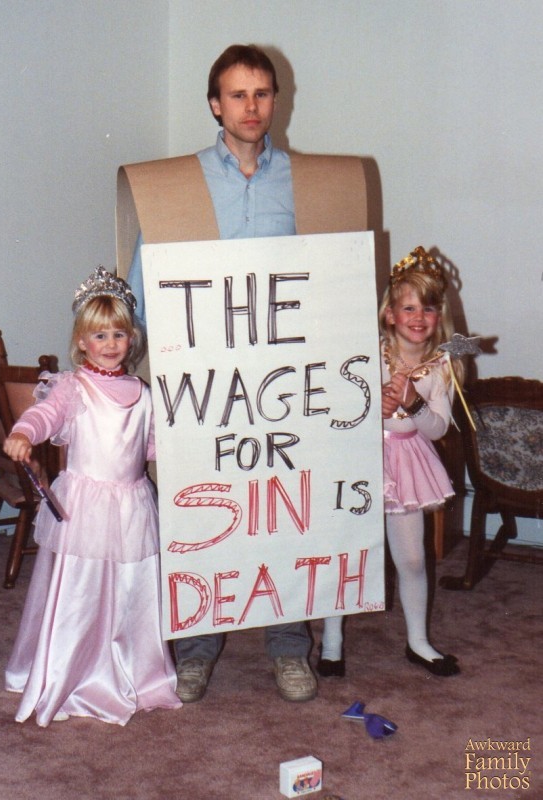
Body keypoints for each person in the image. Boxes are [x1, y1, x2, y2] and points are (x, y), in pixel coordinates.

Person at [128, 44, 317, 704]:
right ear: (215, 104)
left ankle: (288, 647)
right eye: (237, 95)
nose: (251, 106)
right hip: (203, 377)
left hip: (282, 377)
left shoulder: (305, 181)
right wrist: (122, 367)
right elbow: (143, 283)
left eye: (261, 93)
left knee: (284, 509)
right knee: (205, 510)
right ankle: (197, 649)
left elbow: (331, 276)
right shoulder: (178, 184)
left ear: (275, 100)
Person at [4, 266, 182, 726]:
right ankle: (72, 670)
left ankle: (135, 672)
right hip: (86, 506)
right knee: (80, 591)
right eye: (99, 335)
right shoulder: (72, 386)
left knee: (131, 589)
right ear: (82, 341)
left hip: (132, 504)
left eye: (119, 334)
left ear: (132, 338)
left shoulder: (142, 392)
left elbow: (149, 446)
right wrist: (23, 432)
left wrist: (188, 447)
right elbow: (45, 415)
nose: (110, 343)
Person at [317, 246, 462, 678]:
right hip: (359, 457)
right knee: (346, 550)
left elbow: (437, 428)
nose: (419, 317)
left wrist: (413, 403)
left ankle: (418, 641)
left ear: (439, 315)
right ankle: (331, 641)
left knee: (413, 558)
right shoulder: (369, 352)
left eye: (428, 308)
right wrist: (371, 405)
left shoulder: (441, 364)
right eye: (409, 307)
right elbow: (337, 404)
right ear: (389, 314)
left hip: (407, 463)